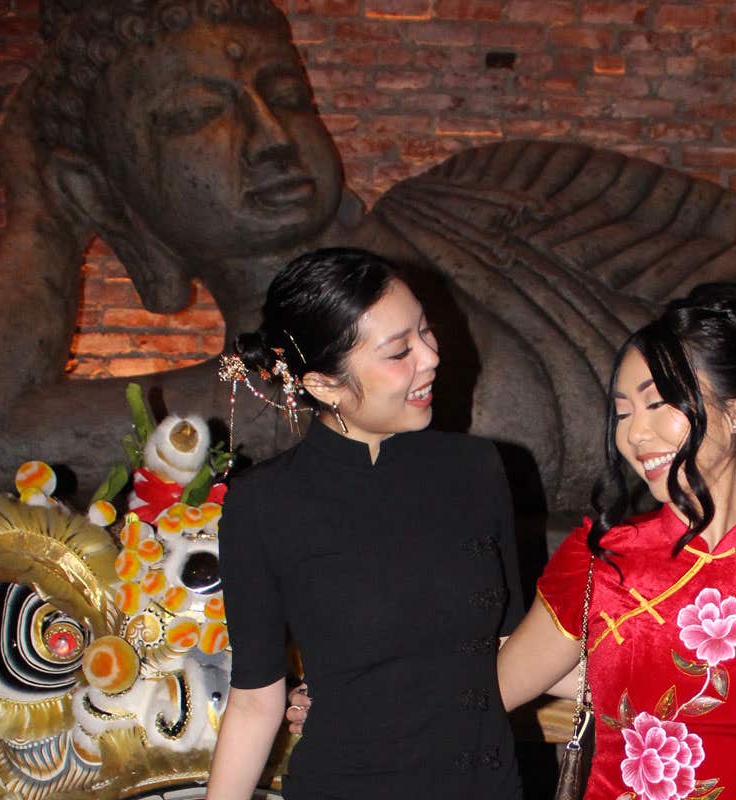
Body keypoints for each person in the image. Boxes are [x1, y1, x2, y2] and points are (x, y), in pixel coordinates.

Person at [495, 282, 736, 800]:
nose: (634, 435)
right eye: (624, 413)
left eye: (659, 404)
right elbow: (484, 693)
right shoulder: (604, 560)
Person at [207, 247, 524, 800]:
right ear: (325, 385)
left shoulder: (478, 469)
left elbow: (516, 647)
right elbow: (257, 699)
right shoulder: (262, 504)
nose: (431, 358)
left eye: (426, 332)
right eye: (400, 351)